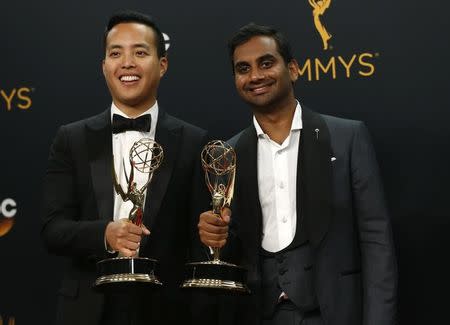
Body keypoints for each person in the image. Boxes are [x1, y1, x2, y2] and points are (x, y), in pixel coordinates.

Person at [198, 23, 397, 325]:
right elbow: (232, 245)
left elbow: (376, 242)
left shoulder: (347, 138)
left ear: (292, 69)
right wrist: (214, 236)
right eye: (243, 68)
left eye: (266, 63)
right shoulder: (227, 155)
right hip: (257, 313)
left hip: (333, 313)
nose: (255, 76)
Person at [41, 10, 208, 325]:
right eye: (115, 53)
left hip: (168, 311)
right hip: (88, 310)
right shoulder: (71, 139)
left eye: (140, 52)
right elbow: (52, 230)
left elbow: (201, 241)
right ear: (104, 67)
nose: (127, 63)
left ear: (163, 65)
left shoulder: (194, 141)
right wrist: (105, 233)